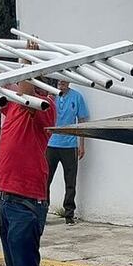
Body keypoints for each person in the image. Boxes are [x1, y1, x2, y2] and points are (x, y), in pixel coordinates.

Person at [0, 68, 56, 266]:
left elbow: (29, 89)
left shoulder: (43, 107)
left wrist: (27, 62)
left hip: (27, 201)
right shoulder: (15, 106)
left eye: (23, 79)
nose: (18, 84)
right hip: (7, 198)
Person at [46, 80, 89, 225]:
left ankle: (69, 214)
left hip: (70, 145)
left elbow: (82, 121)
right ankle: (42, 211)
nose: (61, 83)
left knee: (70, 181)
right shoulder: (51, 97)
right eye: (59, 80)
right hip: (51, 144)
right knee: (45, 179)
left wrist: (81, 144)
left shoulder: (77, 97)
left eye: (64, 80)